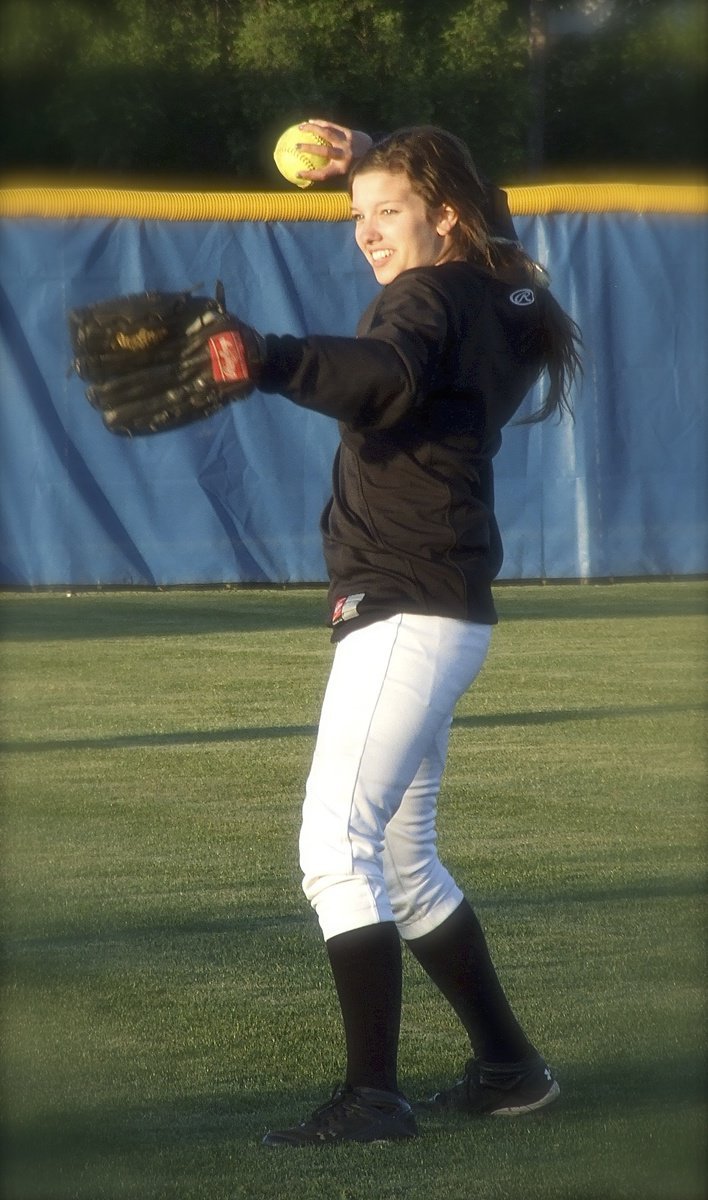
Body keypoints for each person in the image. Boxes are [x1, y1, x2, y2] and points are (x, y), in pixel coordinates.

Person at [243, 122, 583, 1146]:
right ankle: (509, 1069)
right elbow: (490, 236)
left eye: (384, 211)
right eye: (357, 216)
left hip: (405, 602)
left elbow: (385, 374)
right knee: (401, 858)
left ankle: (373, 1098)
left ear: (443, 214)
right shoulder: (508, 291)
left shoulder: (428, 297)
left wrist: (268, 357)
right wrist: (377, 151)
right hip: (444, 603)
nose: (365, 233)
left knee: (332, 849)